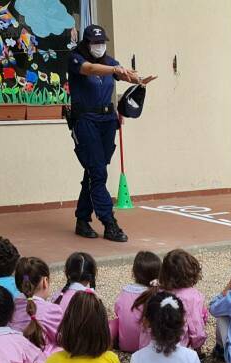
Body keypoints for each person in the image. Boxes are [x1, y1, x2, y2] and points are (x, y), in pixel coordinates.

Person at [67, 24, 156, 243]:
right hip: (85, 120)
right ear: (87, 44)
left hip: (107, 120)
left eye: (102, 43)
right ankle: (109, 222)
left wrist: (137, 80)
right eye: (96, 43)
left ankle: (81, 219)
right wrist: (115, 70)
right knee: (97, 172)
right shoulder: (76, 58)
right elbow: (91, 69)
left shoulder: (110, 61)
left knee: (94, 171)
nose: (100, 47)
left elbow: (124, 75)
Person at [134, 248, 209, 352]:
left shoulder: (155, 290)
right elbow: (196, 330)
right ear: (192, 273)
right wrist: (197, 346)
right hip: (177, 348)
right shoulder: (193, 297)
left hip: (149, 347)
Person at [110, 250, 161, 353]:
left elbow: (117, 311)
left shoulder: (125, 292)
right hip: (148, 349)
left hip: (125, 346)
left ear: (134, 273)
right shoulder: (157, 295)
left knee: (114, 322)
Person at [11, 257, 64, 354]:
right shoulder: (52, 310)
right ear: (45, 281)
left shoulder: (11, 307)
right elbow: (62, 339)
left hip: (15, 358)